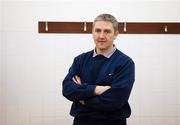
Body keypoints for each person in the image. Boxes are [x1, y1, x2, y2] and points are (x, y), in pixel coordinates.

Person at [62, 13, 135, 125]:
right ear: (92, 32)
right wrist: (96, 89)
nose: (101, 36)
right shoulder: (80, 60)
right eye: (98, 30)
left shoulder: (125, 63)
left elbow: (115, 101)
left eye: (107, 31)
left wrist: (82, 97)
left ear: (116, 34)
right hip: (81, 122)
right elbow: (67, 89)